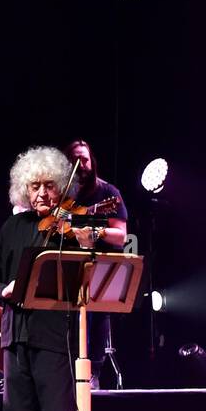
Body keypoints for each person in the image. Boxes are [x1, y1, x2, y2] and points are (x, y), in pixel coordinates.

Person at [0, 146, 100, 411]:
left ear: (61, 187)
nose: (42, 193)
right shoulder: (10, 229)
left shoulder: (68, 231)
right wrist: (4, 289)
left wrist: (84, 240)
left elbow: (87, 274)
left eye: (49, 185)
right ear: (24, 189)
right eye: (35, 186)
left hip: (53, 340)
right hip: (14, 341)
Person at [66, 140, 129, 385]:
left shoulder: (108, 194)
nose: (80, 165)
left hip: (99, 269)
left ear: (92, 162)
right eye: (75, 160)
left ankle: (93, 374)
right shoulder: (62, 194)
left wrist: (93, 233)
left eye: (85, 159)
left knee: (96, 313)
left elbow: (121, 235)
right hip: (67, 267)